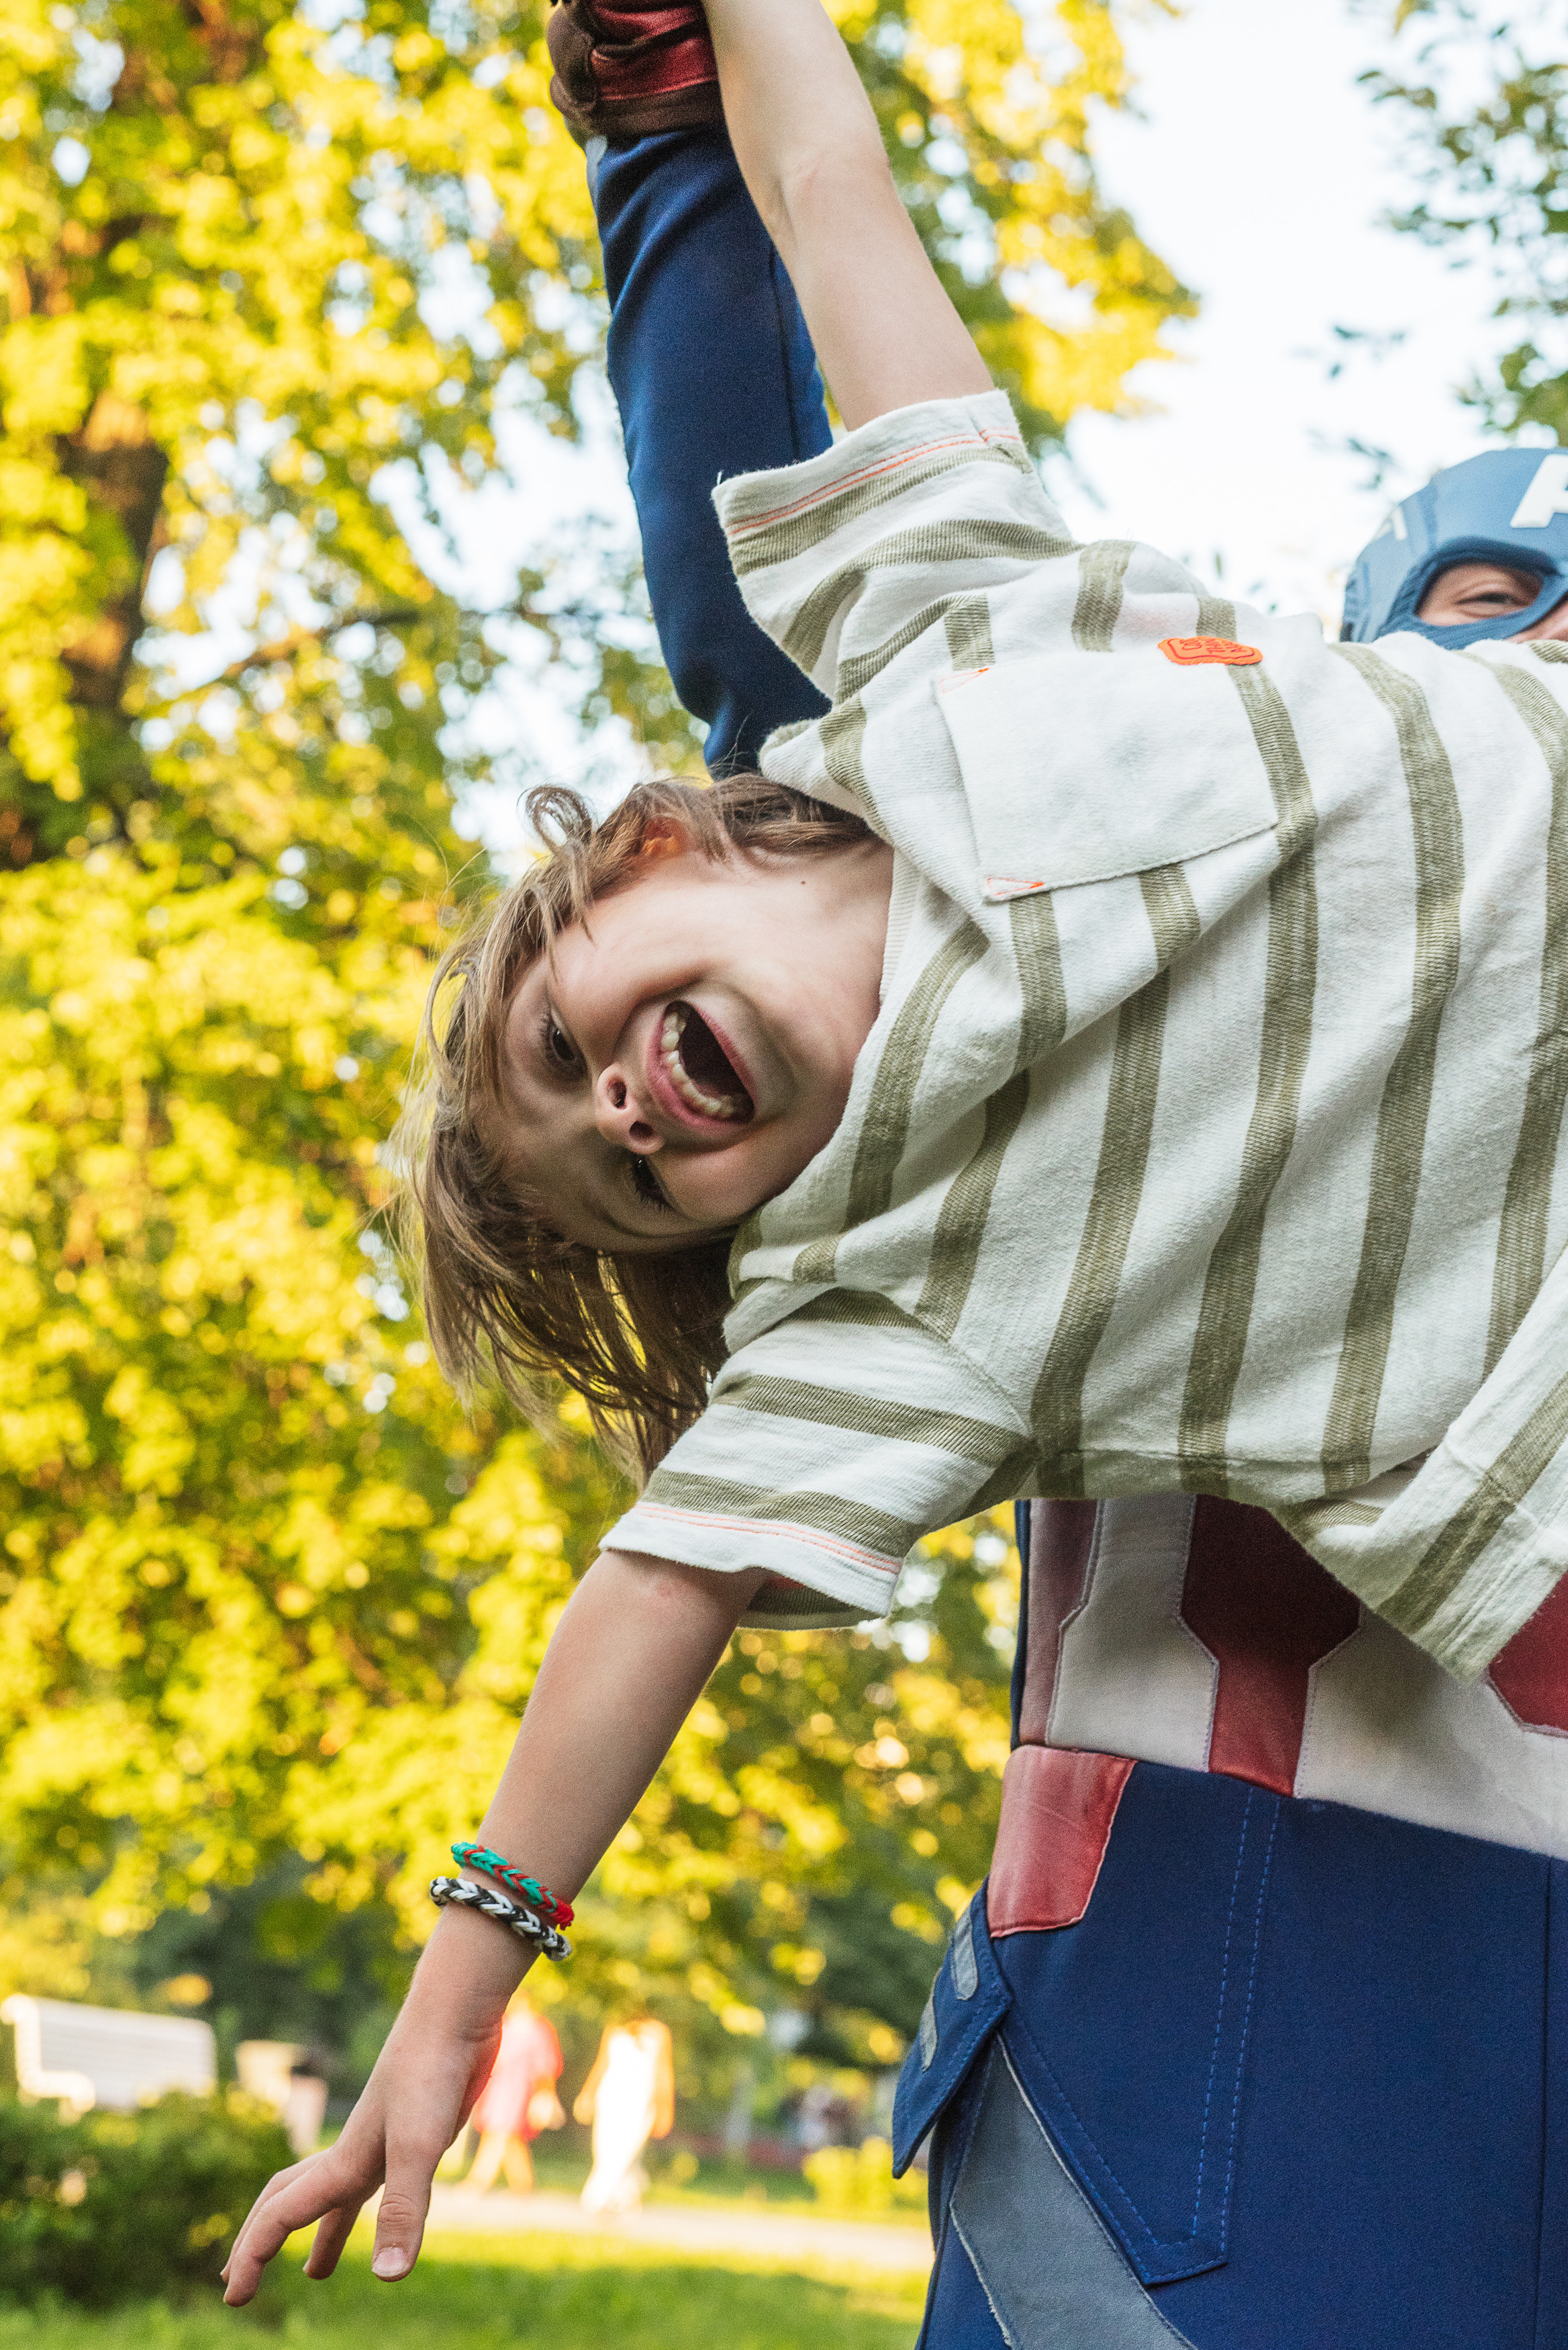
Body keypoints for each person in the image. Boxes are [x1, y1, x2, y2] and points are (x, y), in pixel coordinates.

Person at [220, 2, 1568, 2340]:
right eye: (626, 1183)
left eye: (565, 1043)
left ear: (654, 849)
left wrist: (712, 66)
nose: (618, 1113)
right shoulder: (890, 1292)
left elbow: (830, 214)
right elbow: (644, 1594)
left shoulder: (959, 653)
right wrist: (453, 2001)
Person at [456, 1991, 564, 2196]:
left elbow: (546, 2067)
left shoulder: (539, 2030)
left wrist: (545, 2094)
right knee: (509, 2137)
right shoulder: (505, 2024)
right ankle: (523, 2186)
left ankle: (477, 2182)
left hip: (522, 2088)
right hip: (498, 2086)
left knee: (500, 2133)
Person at [573, 2016, 675, 2215]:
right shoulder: (615, 2026)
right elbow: (602, 2063)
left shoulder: (658, 2031)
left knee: (628, 2149)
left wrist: (665, 2109)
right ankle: (624, 2201)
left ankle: (596, 2199)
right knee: (605, 2148)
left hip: (641, 2099)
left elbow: (663, 2072)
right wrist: (588, 2094)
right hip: (610, 2096)